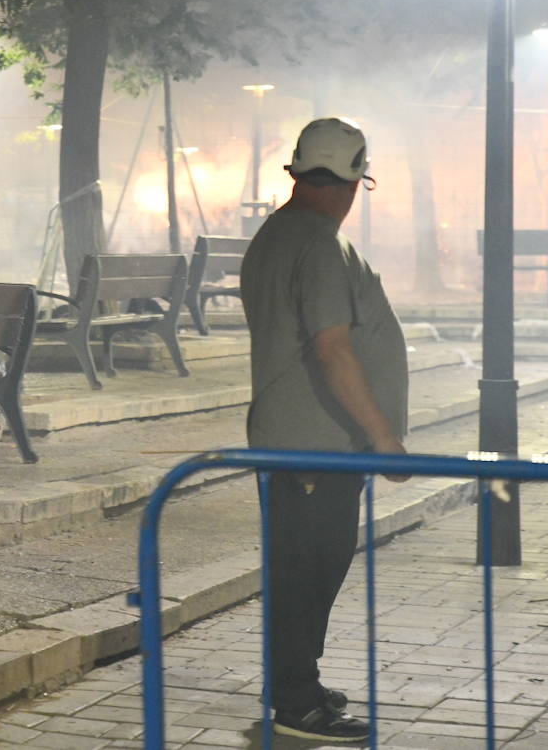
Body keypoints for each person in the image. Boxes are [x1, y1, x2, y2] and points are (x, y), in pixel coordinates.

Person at [239, 117, 410, 743]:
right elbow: (334, 349)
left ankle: (297, 682)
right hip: (317, 446)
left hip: (303, 440)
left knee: (307, 568)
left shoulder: (279, 234)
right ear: (352, 180)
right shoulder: (316, 243)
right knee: (307, 572)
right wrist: (385, 437)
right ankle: (294, 702)